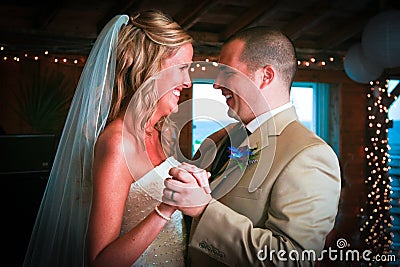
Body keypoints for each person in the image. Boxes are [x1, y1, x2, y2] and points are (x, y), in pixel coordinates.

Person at [24, 10, 193, 267]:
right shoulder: (117, 143)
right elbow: (100, 261)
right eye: (182, 69)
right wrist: (166, 208)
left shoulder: (162, 132)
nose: (188, 82)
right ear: (148, 69)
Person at [163, 27, 342, 266]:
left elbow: (291, 259)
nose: (216, 85)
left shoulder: (310, 156)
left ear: (265, 76)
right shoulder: (219, 138)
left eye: (226, 73)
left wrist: (204, 210)